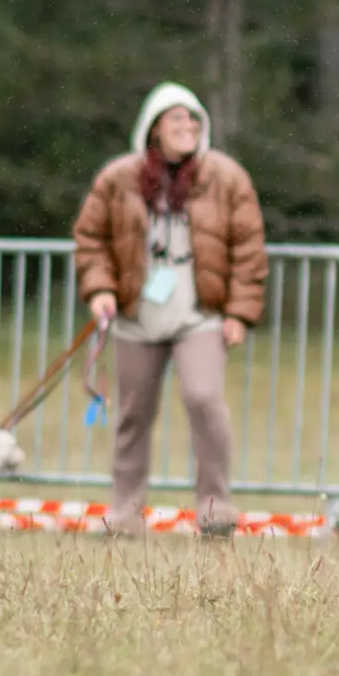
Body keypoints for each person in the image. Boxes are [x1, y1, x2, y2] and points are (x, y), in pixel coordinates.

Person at [73, 82, 268, 537]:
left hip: (200, 313)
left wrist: (239, 312)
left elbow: (249, 247)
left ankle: (216, 509)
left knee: (204, 400)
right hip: (136, 317)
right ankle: (124, 515)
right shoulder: (118, 178)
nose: (187, 126)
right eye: (175, 118)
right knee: (132, 416)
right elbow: (90, 238)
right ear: (153, 128)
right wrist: (100, 288)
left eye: (193, 119)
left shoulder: (226, 176)